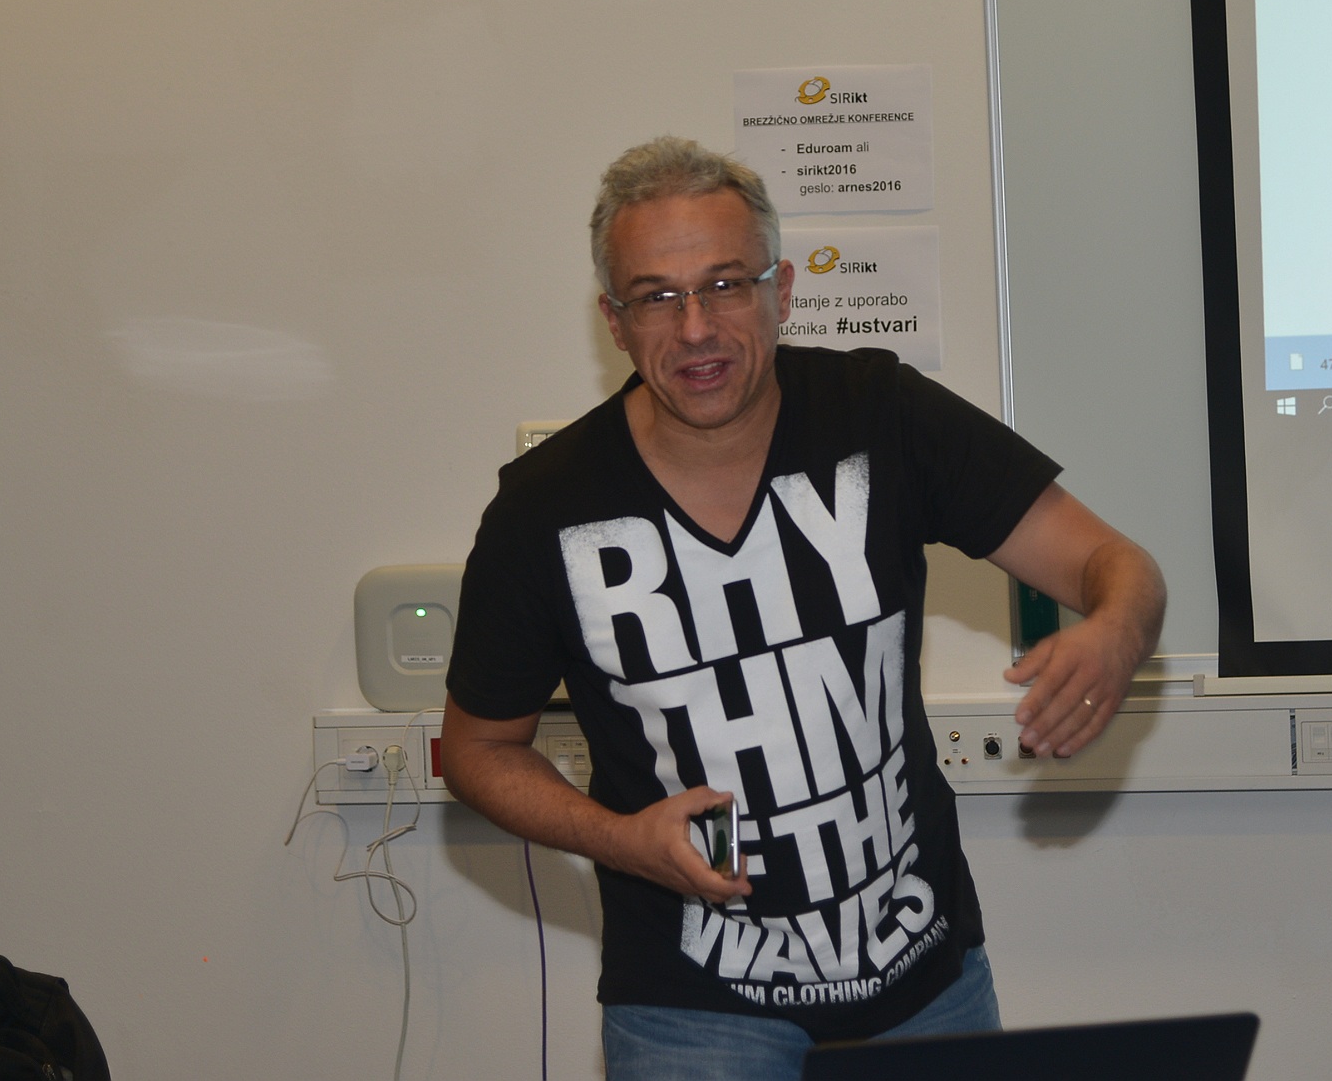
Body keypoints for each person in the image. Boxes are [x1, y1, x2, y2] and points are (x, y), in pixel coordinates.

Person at [442, 135, 1164, 1080]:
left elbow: (1117, 565)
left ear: (781, 291)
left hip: (923, 983)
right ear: (614, 321)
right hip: (689, 1009)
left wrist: (1116, 630)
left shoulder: (880, 413)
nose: (695, 327)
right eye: (657, 296)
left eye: (725, 284)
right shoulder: (545, 507)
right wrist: (616, 839)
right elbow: (476, 749)